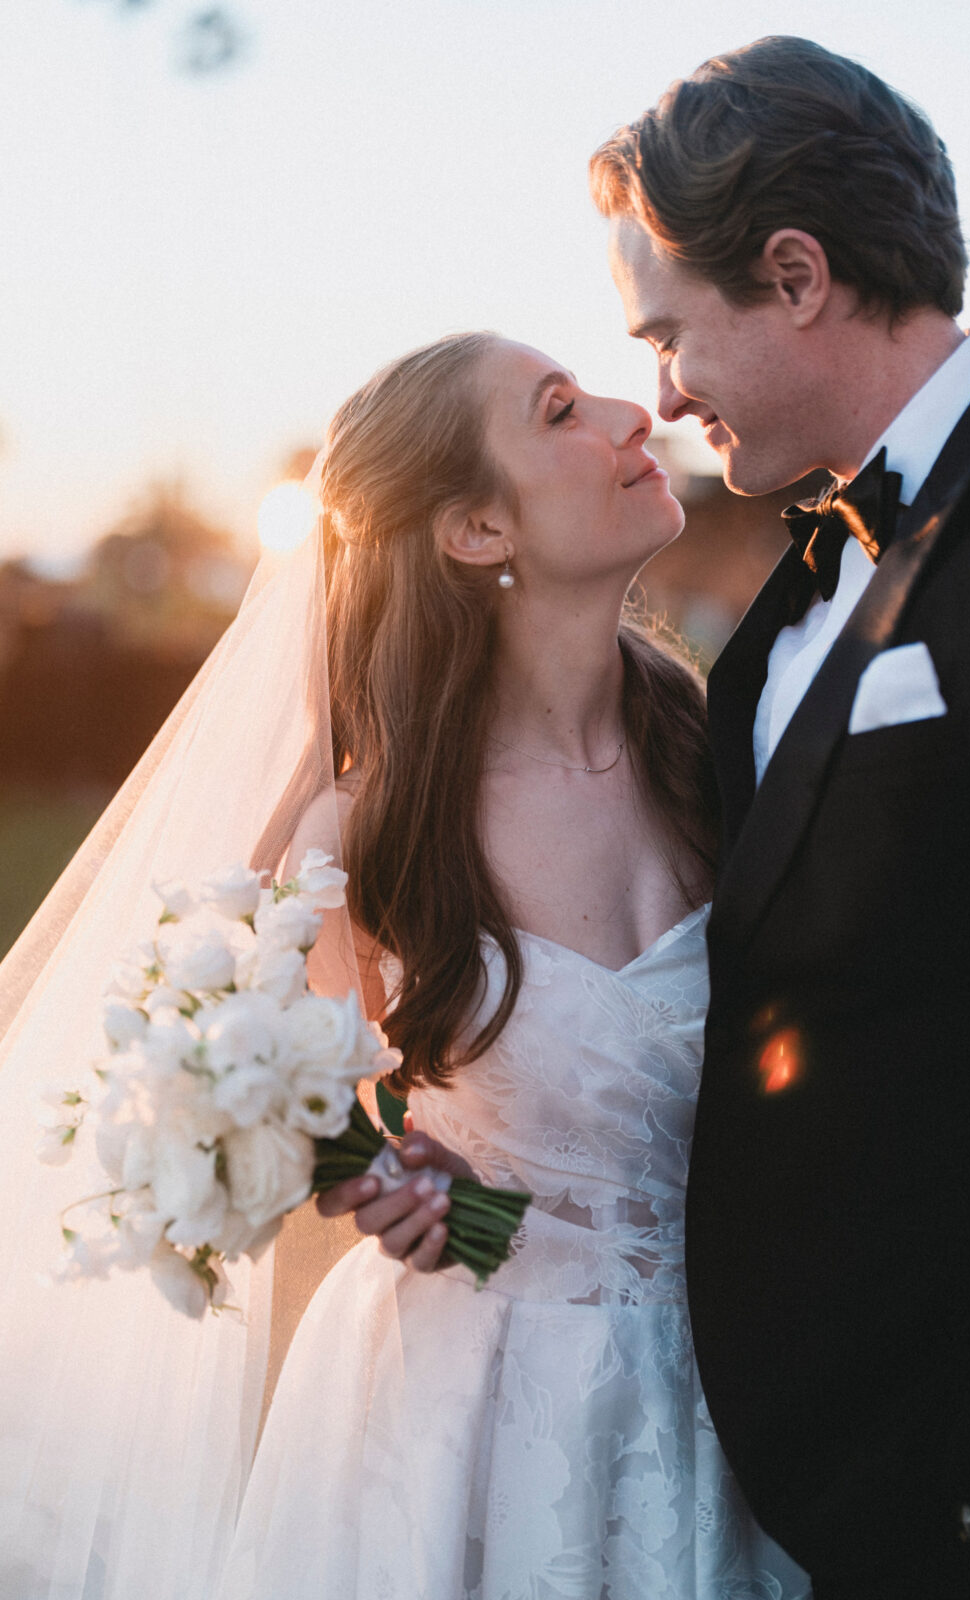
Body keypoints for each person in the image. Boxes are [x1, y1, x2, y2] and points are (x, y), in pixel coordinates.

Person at [0, 329, 810, 1599]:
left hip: (747, 1403)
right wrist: (377, 1175)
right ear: (475, 531)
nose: (628, 411)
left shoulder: (730, 759)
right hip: (465, 1428)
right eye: (558, 411)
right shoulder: (366, 828)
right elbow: (220, 1071)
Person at [579, 33, 970, 1600]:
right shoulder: (797, 581)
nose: (655, 392)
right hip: (802, 1483)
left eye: (667, 333)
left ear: (792, 275)